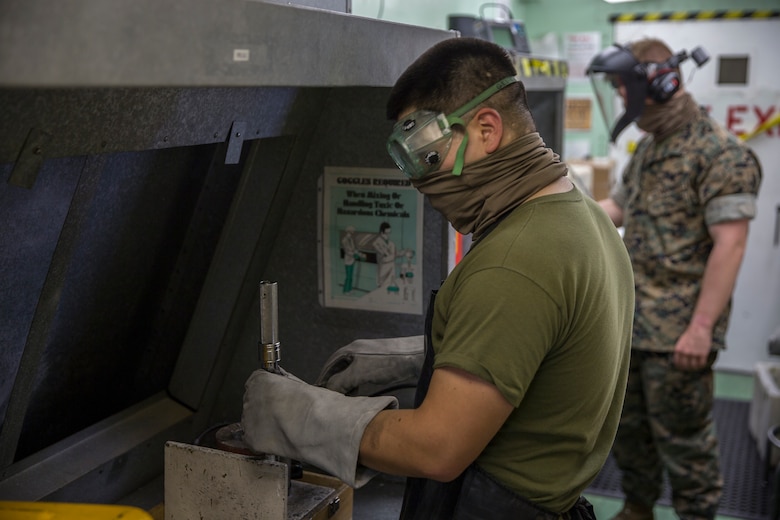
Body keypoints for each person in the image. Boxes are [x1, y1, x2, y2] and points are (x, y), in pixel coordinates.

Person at [242, 37, 635, 519]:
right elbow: (547, 345)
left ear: (487, 129)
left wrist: (297, 414)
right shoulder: (578, 213)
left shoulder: (513, 262)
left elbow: (437, 449)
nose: (420, 183)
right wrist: (425, 357)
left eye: (427, 154)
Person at [587, 38, 762, 520]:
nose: (622, 99)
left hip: (680, 333)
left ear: (661, 81)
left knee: (686, 444)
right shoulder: (648, 148)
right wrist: (564, 213)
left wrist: (701, 328)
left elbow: (731, 244)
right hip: (634, 324)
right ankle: (637, 508)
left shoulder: (719, 152)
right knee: (630, 432)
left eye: (626, 88)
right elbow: (619, 207)